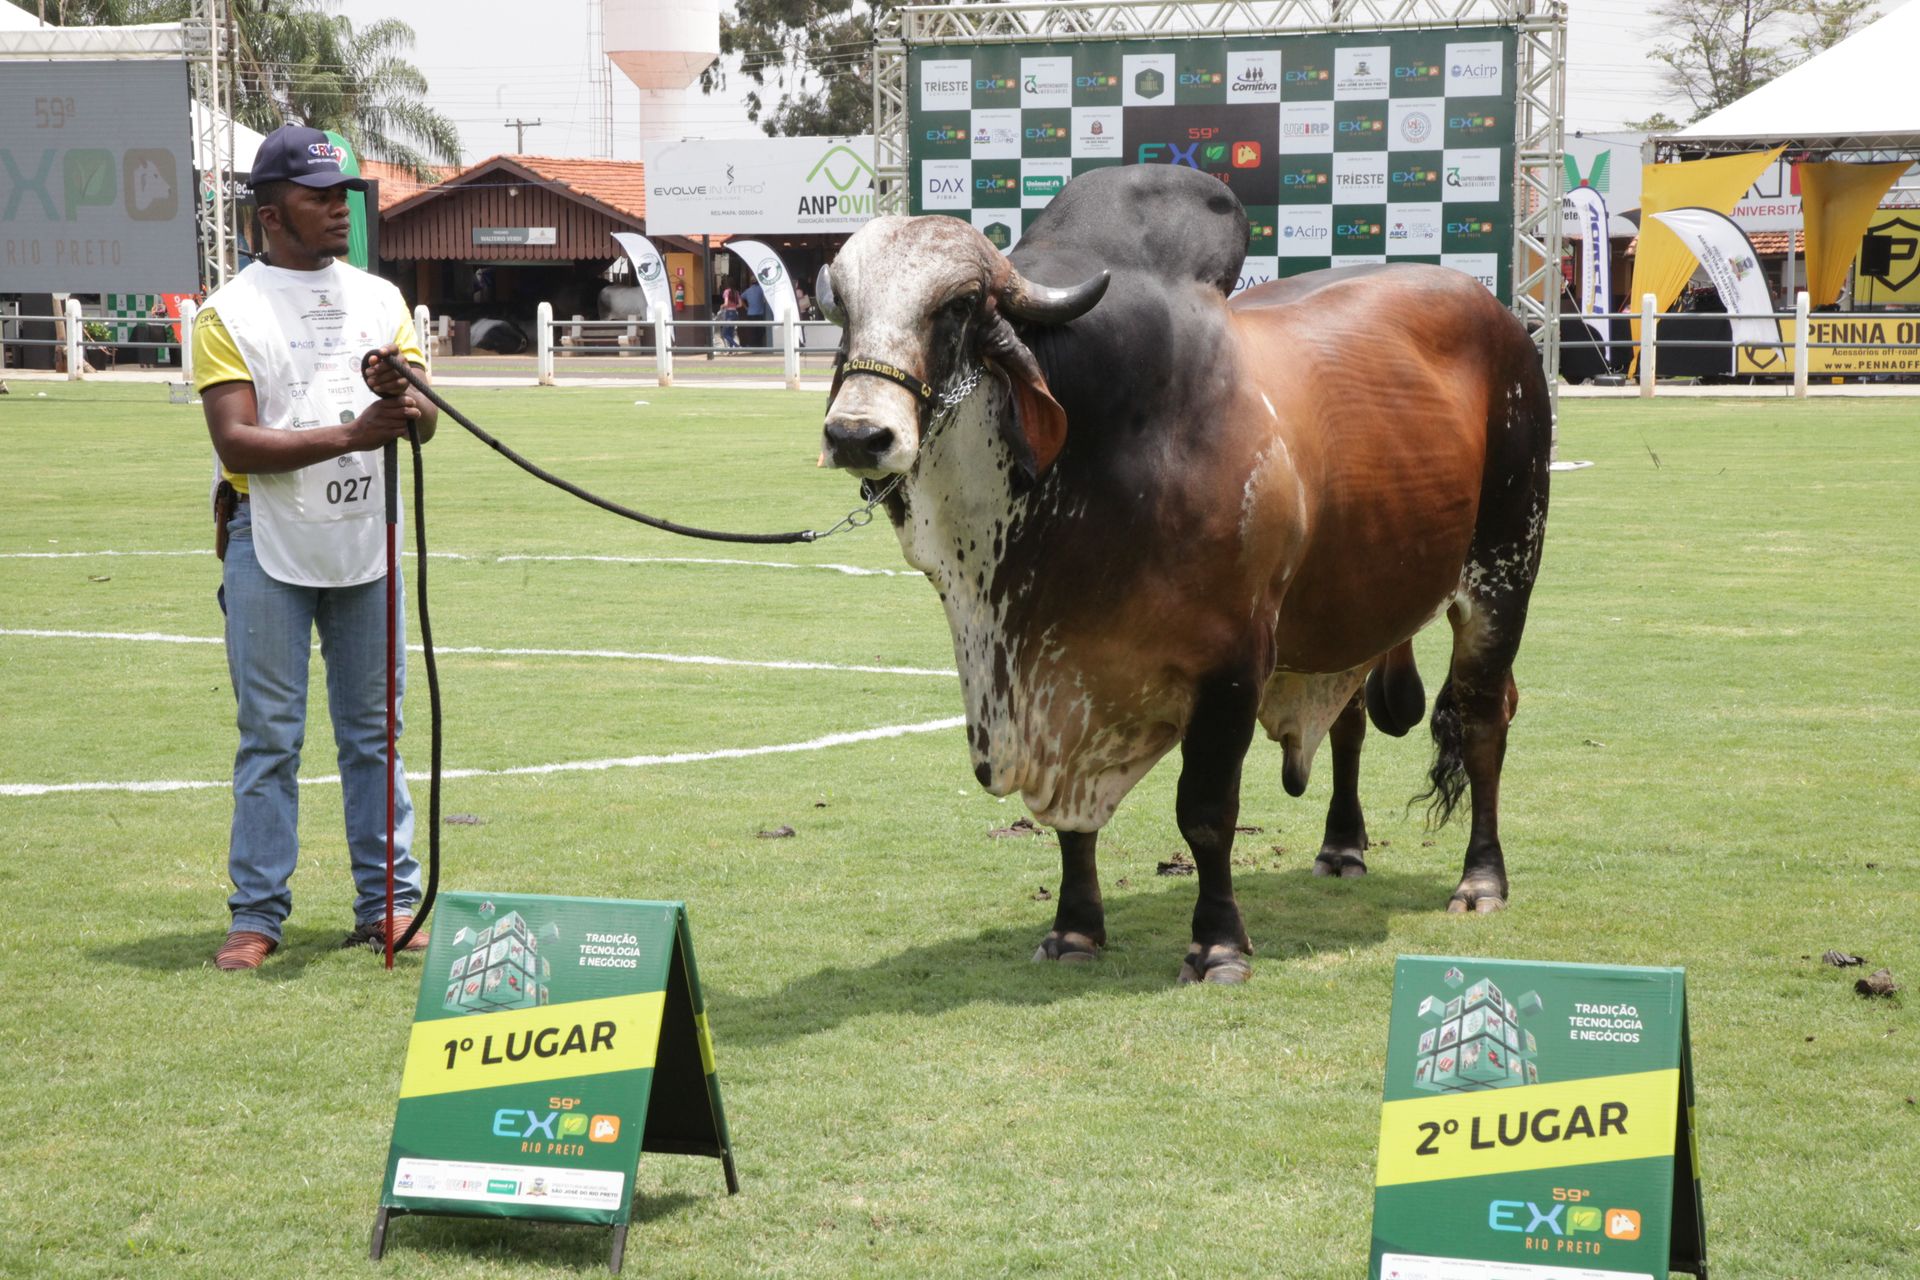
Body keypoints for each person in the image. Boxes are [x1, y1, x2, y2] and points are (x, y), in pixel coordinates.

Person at [193, 123, 440, 971]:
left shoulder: (381, 299)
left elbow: (428, 423)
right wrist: (352, 431)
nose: (340, 210)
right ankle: (257, 915)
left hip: (366, 533)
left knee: (377, 733)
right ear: (269, 213)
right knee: (271, 735)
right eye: (318, 197)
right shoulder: (229, 312)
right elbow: (235, 445)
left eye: (345, 195)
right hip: (268, 538)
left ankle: (390, 906)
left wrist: (402, 399)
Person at [741, 278, 768, 348]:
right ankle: (760, 345)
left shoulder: (748, 290)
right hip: (760, 313)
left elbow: (740, 298)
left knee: (752, 331)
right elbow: (766, 298)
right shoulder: (761, 289)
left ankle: (753, 345)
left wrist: (746, 307)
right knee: (760, 330)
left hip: (750, 313)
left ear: (751, 283)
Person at [718, 283, 741, 351]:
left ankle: (737, 346)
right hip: (735, 313)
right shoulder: (736, 292)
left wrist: (721, 306)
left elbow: (726, 303)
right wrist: (734, 306)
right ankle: (731, 351)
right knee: (731, 333)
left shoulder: (726, 291)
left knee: (725, 334)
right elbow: (740, 304)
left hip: (729, 314)